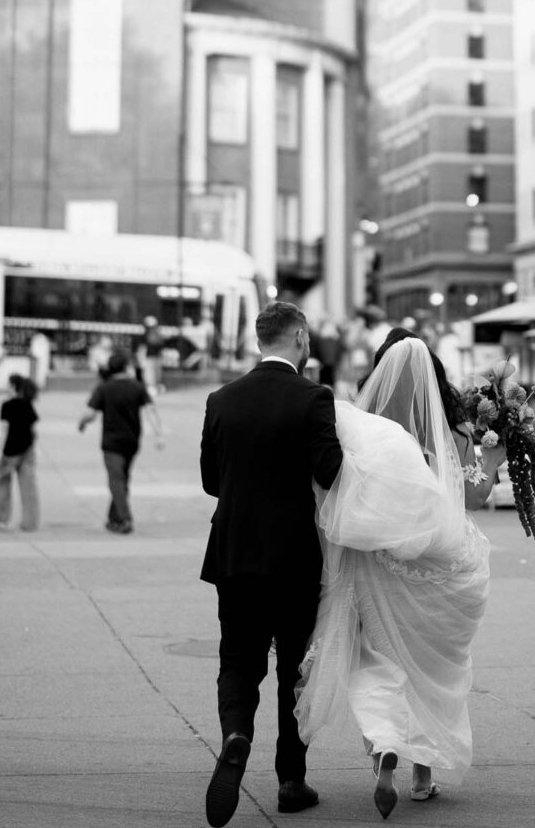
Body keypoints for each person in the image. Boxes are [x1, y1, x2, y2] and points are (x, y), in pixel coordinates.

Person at [296, 328, 507, 818]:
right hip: (441, 559)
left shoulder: (365, 422)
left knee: (376, 657)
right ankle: (423, 775)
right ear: (434, 374)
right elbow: (473, 498)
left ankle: (385, 747)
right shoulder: (455, 430)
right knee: (429, 664)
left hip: (380, 558)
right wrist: (493, 462)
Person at [199, 300, 343, 828]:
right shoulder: (313, 398)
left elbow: (212, 481)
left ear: (262, 340)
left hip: (234, 553)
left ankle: (236, 736)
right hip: (294, 558)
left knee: (238, 660)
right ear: (301, 337)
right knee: (294, 671)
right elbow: (332, 474)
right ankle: (290, 780)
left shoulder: (221, 399)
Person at [77, 349, 151, 534]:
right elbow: (151, 410)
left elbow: (90, 413)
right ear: (126, 367)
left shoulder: (104, 388)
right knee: (122, 479)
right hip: (132, 441)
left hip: (111, 442)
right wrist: (159, 435)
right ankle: (114, 519)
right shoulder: (137, 387)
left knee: (116, 481)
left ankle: (125, 518)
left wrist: (81, 424)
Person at [0, 375, 40, 531]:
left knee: (3, 484)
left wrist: (1, 450)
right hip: (27, 449)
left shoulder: (7, 405)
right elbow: (33, 430)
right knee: (29, 487)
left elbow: (4, 429)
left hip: (10, 450)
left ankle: (1, 518)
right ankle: (30, 522)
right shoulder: (28, 404)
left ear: (13, 386)